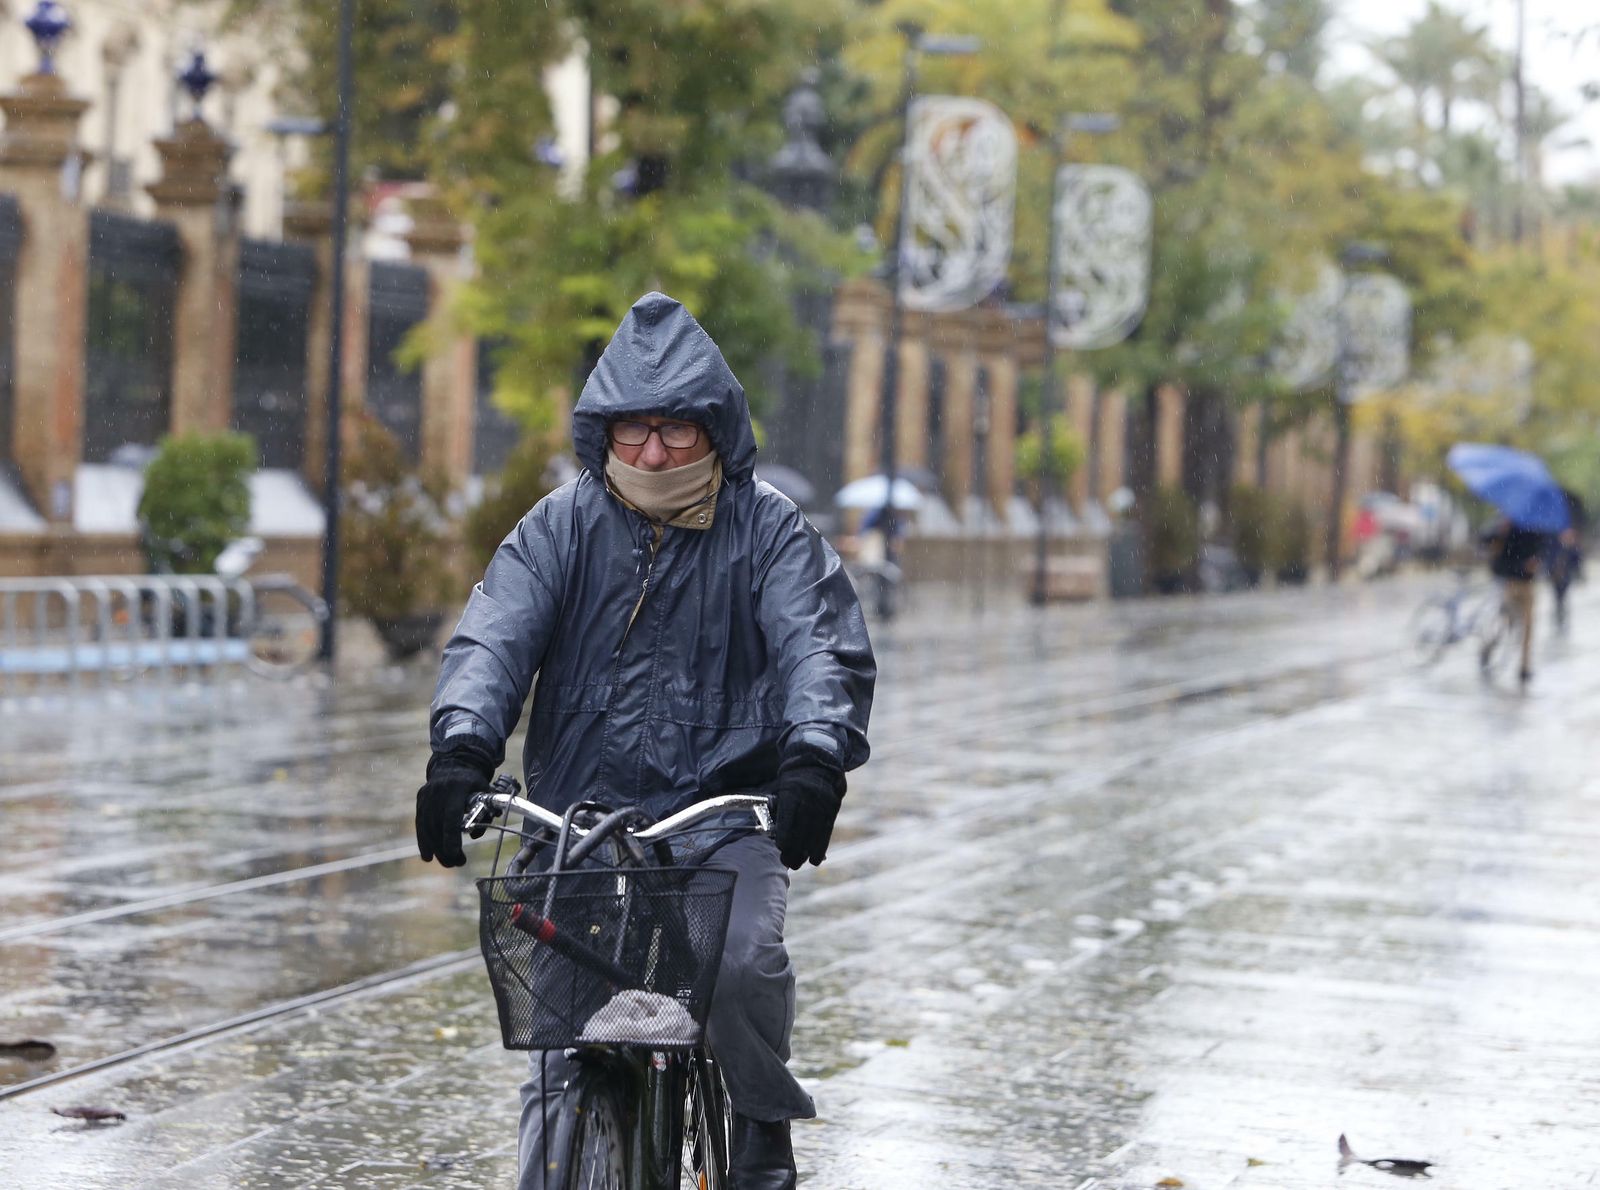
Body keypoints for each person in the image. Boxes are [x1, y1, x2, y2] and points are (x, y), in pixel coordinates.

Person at [417, 292, 876, 1190]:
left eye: (675, 430)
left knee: (742, 966)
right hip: (578, 824)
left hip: (719, 826)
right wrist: (461, 749)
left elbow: (816, 643)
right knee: (560, 1044)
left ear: (715, 429)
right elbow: (494, 637)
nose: (654, 453)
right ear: (604, 432)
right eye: (634, 432)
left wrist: (814, 754)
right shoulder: (562, 526)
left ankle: (763, 1128)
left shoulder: (768, 530)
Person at [1482, 517, 1544, 685]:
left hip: (1528, 584)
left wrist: (1535, 562)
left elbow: (1541, 552)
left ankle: (1524, 666)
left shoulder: (1536, 527)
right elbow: (1487, 542)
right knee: (1504, 621)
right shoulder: (1505, 524)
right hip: (1509, 584)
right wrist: (1499, 533)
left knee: (1528, 626)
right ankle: (1489, 647)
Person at [1545, 527, 1584, 630]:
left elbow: (1577, 562)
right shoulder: (1554, 546)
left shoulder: (1573, 548)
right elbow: (1549, 560)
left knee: (1563, 596)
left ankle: (1561, 615)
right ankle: (1558, 614)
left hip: (1566, 577)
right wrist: (1551, 571)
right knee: (1557, 596)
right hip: (1555, 577)